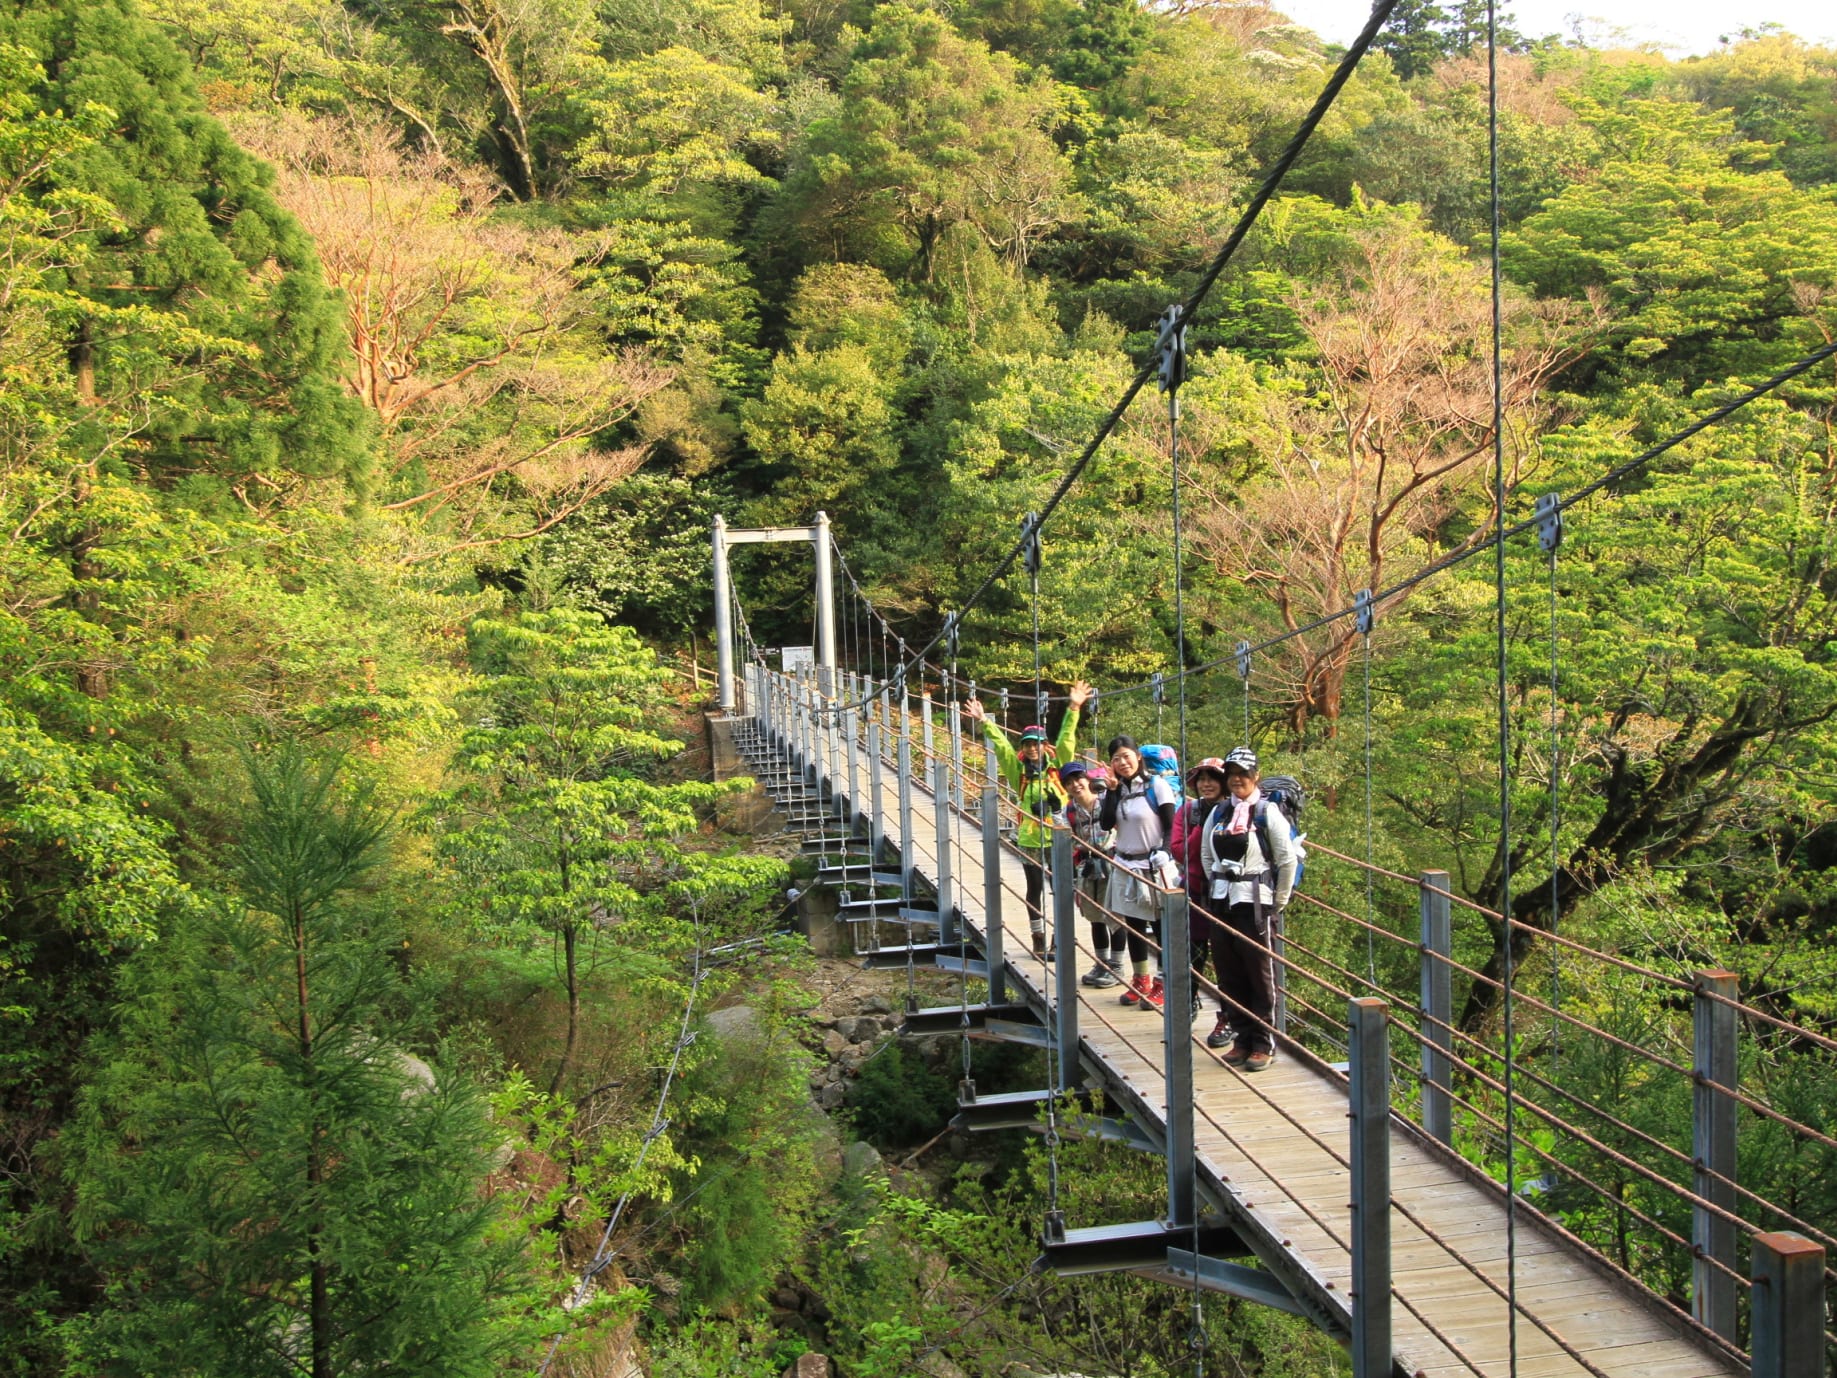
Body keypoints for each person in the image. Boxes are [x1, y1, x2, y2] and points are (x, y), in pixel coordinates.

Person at [964, 681, 1093, 959]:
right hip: (1031, 839)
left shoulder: (1059, 769)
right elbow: (1001, 748)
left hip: (1061, 838)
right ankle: (1038, 938)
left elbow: (1067, 739)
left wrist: (1074, 707)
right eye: (1028, 745)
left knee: (1062, 891)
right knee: (1034, 890)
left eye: (1037, 744)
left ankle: (1059, 941)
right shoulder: (1018, 772)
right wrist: (985, 721)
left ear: (1046, 746)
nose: (1033, 749)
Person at [1203, 747, 1297, 1072]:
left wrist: (1278, 901)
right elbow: (1205, 855)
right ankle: (1241, 1039)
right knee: (1229, 975)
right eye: (1232, 774)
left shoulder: (1266, 812)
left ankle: (1263, 1042)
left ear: (1256, 775)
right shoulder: (1219, 813)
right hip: (1223, 901)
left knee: (1259, 975)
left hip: (1255, 903)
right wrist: (1217, 881)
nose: (1237, 779)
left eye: (1243, 773)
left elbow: (1286, 860)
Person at [1098, 735, 1178, 1009]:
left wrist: (1166, 851)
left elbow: (1171, 825)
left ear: (1138, 756)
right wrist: (1110, 791)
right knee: (1133, 925)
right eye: (1116, 759)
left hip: (1153, 865)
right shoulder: (1116, 788)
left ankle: (1164, 982)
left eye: (1126, 756)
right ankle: (1141, 979)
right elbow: (1107, 823)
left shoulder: (1158, 786)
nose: (1122, 762)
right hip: (1126, 864)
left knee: (1159, 925)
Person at [1171, 757, 1231, 1015]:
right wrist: (1201, 829)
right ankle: (1190, 999)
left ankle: (1227, 1015)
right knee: (1194, 951)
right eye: (1201, 780)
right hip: (1196, 890)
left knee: (1225, 958)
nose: (1206, 784)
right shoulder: (1188, 811)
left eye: (1212, 778)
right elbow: (1178, 851)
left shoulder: (1234, 810)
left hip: (1227, 894)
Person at [1060, 762, 1120, 987]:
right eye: (1069, 782)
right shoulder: (1070, 810)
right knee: (1094, 916)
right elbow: (1065, 835)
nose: (1076, 785)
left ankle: (1117, 966)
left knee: (1113, 916)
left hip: (1111, 861)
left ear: (1087, 780)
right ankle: (1102, 963)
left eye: (1078, 779)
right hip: (1087, 865)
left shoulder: (1104, 801)